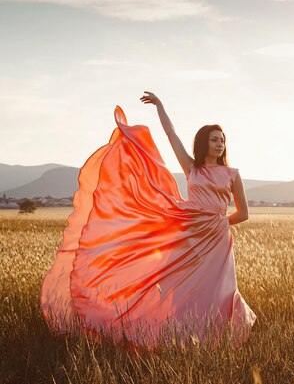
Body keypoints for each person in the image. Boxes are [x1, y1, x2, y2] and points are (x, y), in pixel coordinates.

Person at [40, 91, 256, 349]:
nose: (219, 144)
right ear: (204, 143)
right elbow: (171, 135)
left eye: (222, 140)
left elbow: (243, 213)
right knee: (179, 285)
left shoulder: (232, 174)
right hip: (188, 235)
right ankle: (177, 335)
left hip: (218, 240)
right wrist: (160, 106)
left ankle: (216, 341)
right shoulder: (192, 168)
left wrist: (217, 224)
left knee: (218, 289)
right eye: (214, 139)